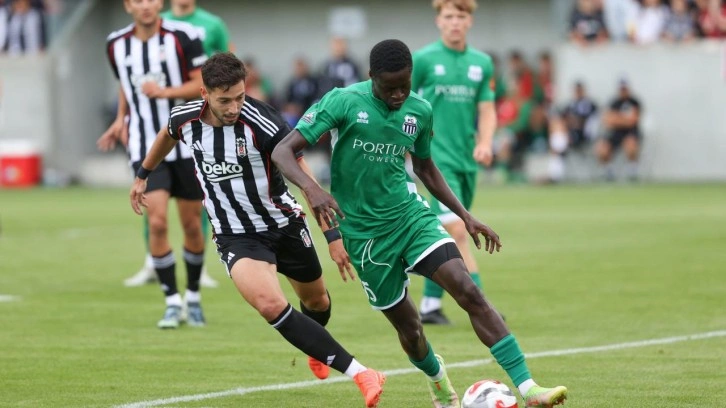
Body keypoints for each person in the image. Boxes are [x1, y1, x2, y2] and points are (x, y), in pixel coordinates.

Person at [271, 38, 568, 408]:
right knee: (410, 330)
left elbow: (426, 169)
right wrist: (312, 189)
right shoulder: (342, 101)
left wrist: (465, 216)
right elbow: (282, 150)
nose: (398, 95)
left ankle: (529, 388)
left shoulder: (420, 110)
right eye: (389, 87)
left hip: (410, 217)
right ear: (371, 76)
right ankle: (437, 378)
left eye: (405, 86)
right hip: (364, 236)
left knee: (468, 290)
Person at [129, 52, 385, 408]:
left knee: (317, 302)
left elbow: (305, 180)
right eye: (225, 100)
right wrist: (143, 174)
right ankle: (362, 372)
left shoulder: (263, 123)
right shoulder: (184, 118)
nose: (234, 107)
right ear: (204, 93)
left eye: (240, 97)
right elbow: (167, 135)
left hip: (284, 224)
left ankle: (317, 347)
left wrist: (332, 236)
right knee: (269, 304)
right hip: (235, 234)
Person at [99, 0, 208, 328]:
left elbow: (201, 85)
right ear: (128, 6)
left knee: (192, 225)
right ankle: (172, 302)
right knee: (157, 222)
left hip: (187, 144)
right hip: (145, 147)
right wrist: (120, 118)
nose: (145, 6)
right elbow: (126, 83)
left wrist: (164, 92)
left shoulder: (184, 36)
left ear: (160, 3)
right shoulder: (115, 44)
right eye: (138, 0)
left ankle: (193, 296)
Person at [123, 0, 234, 289]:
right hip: (150, 133)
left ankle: (201, 267)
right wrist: (122, 118)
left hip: (194, 128)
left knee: (198, 209)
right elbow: (128, 77)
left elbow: (228, 68)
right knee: (154, 211)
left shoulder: (211, 25)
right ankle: (153, 262)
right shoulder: (149, 25)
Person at [411, 0, 497, 325]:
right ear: (439, 21)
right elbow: (403, 102)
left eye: (461, 16)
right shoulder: (423, 60)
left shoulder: (482, 63)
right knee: (459, 229)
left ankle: (430, 306)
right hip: (435, 162)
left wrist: (485, 142)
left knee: (446, 233)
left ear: (469, 21)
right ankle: (483, 308)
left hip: (466, 161)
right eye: (448, 16)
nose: (455, 22)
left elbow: (487, 109)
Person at [596, 78, 642, 181]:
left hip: (631, 132)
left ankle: (632, 171)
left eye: (624, 89)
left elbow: (632, 121)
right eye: (621, 89)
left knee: (630, 144)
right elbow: (607, 121)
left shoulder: (634, 102)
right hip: (615, 133)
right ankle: (608, 172)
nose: (623, 91)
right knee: (601, 147)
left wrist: (616, 118)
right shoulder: (613, 102)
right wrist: (624, 119)